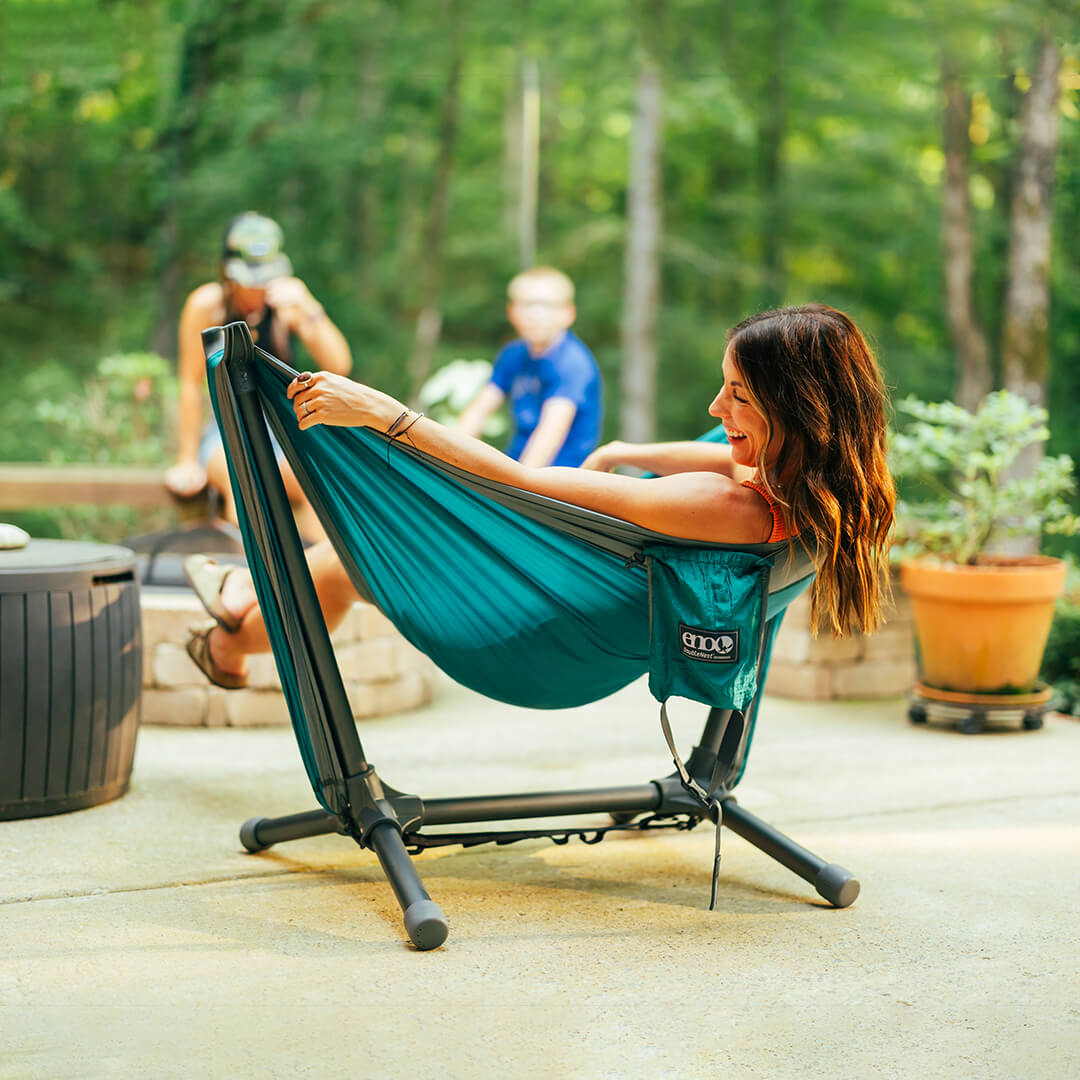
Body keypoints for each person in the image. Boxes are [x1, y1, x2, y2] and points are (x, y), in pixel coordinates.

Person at [183, 304, 895, 689]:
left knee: (341, 566)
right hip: (597, 635)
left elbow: (513, 476)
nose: (715, 409)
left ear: (796, 410)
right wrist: (628, 453)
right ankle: (247, 598)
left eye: (737, 395)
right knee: (332, 569)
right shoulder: (819, 498)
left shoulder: (724, 507)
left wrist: (382, 413)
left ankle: (228, 644)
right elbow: (723, 459)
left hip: (542, 649)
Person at [164, 211, 353, 541]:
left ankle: (316, 578)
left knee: (318, 485)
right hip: (227, 427)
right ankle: (254, 580)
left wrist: (308, 307)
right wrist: (186, 459)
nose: (258, 286)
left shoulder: (288, 304)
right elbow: (189, 386)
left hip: (283, 428)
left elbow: (339, 365)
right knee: (243, 478)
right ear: (227, 270)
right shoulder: (207, 305)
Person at [456, 266, 602, 467]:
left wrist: (512, 490)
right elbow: (477, 413)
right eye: (526, 305)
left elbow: (548, 437)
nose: (535, 314)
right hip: (516, 466)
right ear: (511, 312)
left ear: (568, 313)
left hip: (559, 482)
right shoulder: (513, 354)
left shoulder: (573, 364)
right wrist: (447, 460)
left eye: (546, 305)